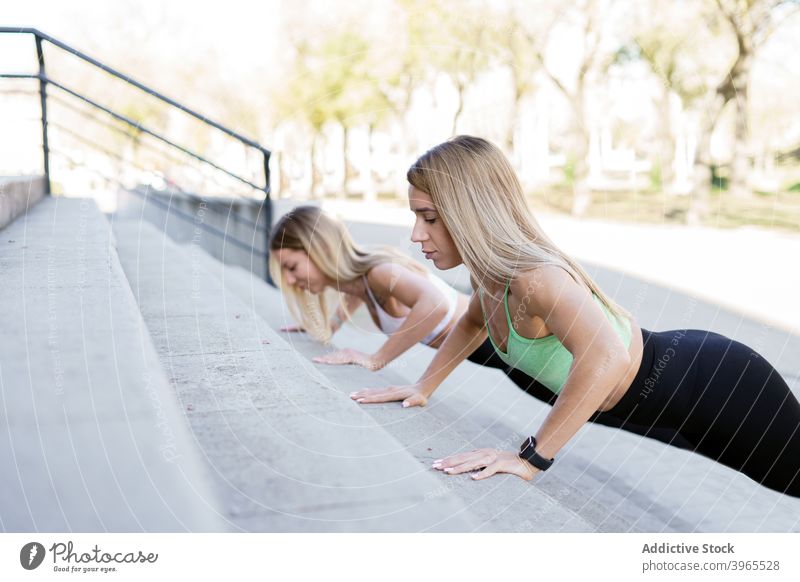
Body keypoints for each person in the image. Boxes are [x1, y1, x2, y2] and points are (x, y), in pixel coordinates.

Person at [350, 135, 800, 497]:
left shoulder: (534, 277)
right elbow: (470, 323)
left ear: (471, 213)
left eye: (428, 217)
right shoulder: (491, 279)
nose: (415, 234)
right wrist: (422, 386)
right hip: (662, 410)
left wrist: (531, 458)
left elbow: (605, 356)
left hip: (714, 384)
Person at [271, 205, 694, 448]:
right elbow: (355, 298)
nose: (291, 280)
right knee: (614, 411)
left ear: (319, 250)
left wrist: (375, 359)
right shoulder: (359, 281)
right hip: (493, 354)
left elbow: (434, 303)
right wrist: (324, 329)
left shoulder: (378, 272)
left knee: (614, 401)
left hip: (491, 344)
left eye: (292, 267)